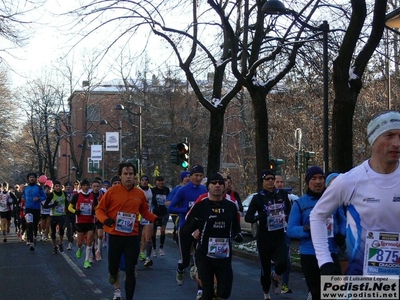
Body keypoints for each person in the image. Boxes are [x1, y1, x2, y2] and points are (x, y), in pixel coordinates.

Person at [310, 110, 400, 276]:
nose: (396, 143)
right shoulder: (350, 180)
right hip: (362, 278)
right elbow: (317, 216)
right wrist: (324, 261)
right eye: (389, 135)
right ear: (373, 140)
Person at [96, 162, 162, 300]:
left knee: (130, 270)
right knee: (113, 268)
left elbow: (144, 211)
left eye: (131, 174)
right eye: (125, 174)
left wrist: (155, 219)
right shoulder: (111, 192)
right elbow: (99, 210)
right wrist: (105, 220)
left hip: (132, 236)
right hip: (114, 235)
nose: (128, 177)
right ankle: (113, 273)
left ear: (135, 176)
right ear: (120, 176)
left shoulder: (139, 193)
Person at [287, 166, 344, 300]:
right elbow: (290, 229)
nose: (318, 181)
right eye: (314, 178)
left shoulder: (333, 200)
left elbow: (343, 221)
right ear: (308, 182)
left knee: (334, 292)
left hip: (331, 252)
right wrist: (305, 230)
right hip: (310, 254)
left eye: (320, 178)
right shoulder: (300, 203)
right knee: (317, 292)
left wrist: (341, 233)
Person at [184, 173, 243, 300]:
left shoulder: (231, 206)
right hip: (205, 255)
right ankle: (197, 272)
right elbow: (188, 224)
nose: (217, 185)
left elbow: (236, 227)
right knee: (207, 291)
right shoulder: (201, 205)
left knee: (224, 292)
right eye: (214, 183)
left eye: (220, 183)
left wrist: (237, 235)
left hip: (224, 255)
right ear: (208, 186)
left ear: (224, 187)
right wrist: (193, 232)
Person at [245, 169, 291, 300]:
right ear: (262, 182)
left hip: (279, 235)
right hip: (264, 238)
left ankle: (275, 275)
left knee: (283, 263)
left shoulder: (282, 194)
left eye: (272, 179)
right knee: (265, 269)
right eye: (267, 179)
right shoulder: (257, 198)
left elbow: (289, 210)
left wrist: (286, 217)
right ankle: (266, 293)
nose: (270, 181)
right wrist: (259, 217)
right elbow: (248, 217)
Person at [168, 164, 207, 286]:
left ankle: (200, 285)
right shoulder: (183, 190)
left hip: (199, 227)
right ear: (191, 176)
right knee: (185, 260)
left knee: (200, 256)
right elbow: (171, 207)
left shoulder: (204, 190)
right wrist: (187, 209)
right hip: (185, 227)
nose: (198, 178)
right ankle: (181, 267)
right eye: (196, 175)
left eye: (201, 175)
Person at [68, 179, 99, 269]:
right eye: (84, 185)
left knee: (89, 241)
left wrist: (95, 211)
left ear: (89, 186)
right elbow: (70, 207)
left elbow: (97, 208)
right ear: (81, 187)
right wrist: (75, 211)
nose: (86, 187)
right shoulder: (77, 196)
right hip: (80, 222)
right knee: (79, 243)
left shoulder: (93, 196)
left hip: (90, 222)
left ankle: (86, 260)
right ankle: (80, 248)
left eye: (87, 185)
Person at [273, 175, 292, 294]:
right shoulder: (265, 196)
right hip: (270, 233)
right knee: (273, 259)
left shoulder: (286, 196)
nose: (280, 184)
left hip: (284, 231)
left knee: (286, 259)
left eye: (281, 182)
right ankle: (275, 280)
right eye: (277, 182)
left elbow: (290, 212)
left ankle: (285, 284)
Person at [22, 173, 47, 251]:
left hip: (36, 209)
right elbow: (23, 196)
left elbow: (44, 196)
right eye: (30, 177)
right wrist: (23, 198)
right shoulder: (26, 188)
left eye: (33, 177)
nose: (32, 179)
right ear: (28, 179)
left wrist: (39, 198)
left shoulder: (39, 188)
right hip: (28, 209)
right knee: (29, 225)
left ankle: (34, 236)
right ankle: (31, 242)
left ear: (36, 179)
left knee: (35, 225)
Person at [43, 180, 67, 254]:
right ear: (54, 187)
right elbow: (45, 206)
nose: (58, 187)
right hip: (53, 215)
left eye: (59, 186)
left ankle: (60, 243)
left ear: (61, 187)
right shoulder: (51, 195)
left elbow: (67, 202)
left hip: (62, 215)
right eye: (56, 186)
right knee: (53, 232)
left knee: (61, 229)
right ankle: (54, 246)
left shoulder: (64, 193)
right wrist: (53, 205)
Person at [167, 171, 190, 243]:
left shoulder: (193, 189)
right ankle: (176, 234)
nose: (188, 178)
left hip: (190, 214)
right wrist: (176, 203)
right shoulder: (177, 189)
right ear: (182, 179)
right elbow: (167, 202)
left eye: (189, 176)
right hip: (177, 214)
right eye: (186, 177)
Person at [138, 175, 155, 266]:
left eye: (146, 180)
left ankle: (147, 258)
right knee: (140, 237)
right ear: (140, 181)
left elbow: (154, 203)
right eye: (143, 180)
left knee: (148, 237)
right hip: (138, 216)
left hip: (148, 215)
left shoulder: (151, 190)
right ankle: (139, 253)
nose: (144, 182)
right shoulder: (136, 190)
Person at [151, 175, 170, 256]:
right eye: (159, 181)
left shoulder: (166, 190)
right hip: (155, 212)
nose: (160, 183)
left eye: (162, 181)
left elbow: (170, 198)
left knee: (162, 230)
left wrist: (169, 204)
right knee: (153, 231)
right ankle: (154, 248)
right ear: (156, 182)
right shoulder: (153, 190)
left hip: (164, 212)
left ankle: (161, 247)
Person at [64, 182, 76, 250]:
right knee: (68, 226)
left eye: (69, 187)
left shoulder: (75, 194)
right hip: (66, 212)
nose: (68, 188)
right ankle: (69, 242)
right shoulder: (63, 194)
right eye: (67, 187)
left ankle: (73, 233)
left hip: (73, 212)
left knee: (74, 226)